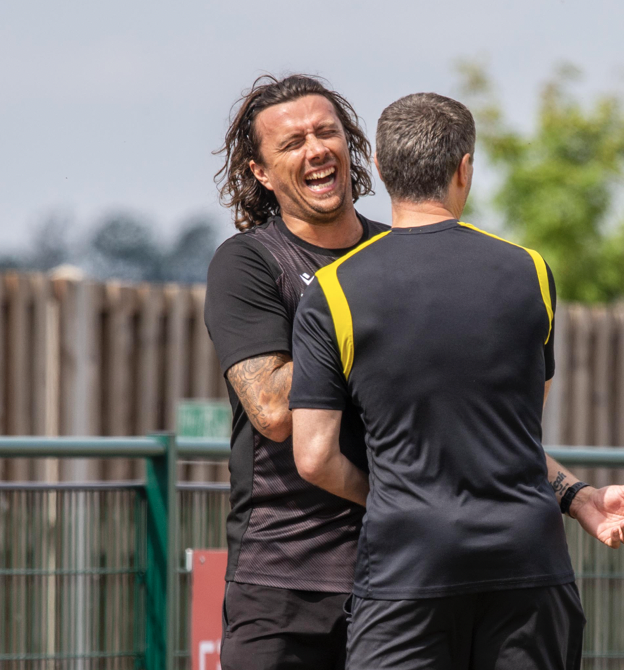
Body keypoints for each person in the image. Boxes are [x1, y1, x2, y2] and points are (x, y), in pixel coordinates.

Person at [289, 92, 624, 670]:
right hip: (527, 566)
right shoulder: (529, 271)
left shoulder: (334, 291)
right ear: (465, 168)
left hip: (406, 570)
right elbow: (519, 435)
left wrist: (400, 494)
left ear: (382, 170)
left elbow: (313, 457)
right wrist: (578, 495)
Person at [204, 74, 387, 670]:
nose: (315, 150)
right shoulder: (249, 262)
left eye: (326, 132)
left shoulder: (398, 255)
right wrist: (365, 313)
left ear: (349, 144)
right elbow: (275, 411)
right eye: (292, 143)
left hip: (401, 571)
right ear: (260, 172)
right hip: (284, 580)